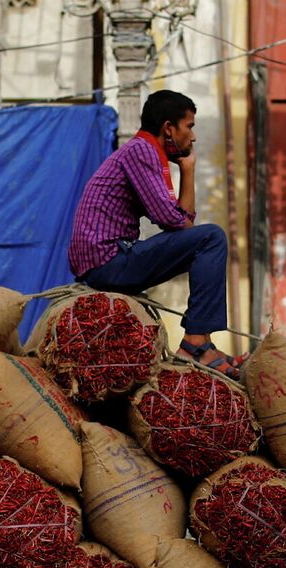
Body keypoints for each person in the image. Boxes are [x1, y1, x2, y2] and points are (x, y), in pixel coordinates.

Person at [68, 88, 238, 375]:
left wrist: (187, 168)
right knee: (212, 238)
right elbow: (177, 222)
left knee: (205, 240)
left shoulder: (144, 151)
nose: (193, 137)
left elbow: (181, 222)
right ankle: (196, 342)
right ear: (168, 128)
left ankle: (203, 342)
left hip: (109, 261)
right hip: (109, 263)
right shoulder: (142, 151)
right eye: (190, 127)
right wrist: (189, 171)